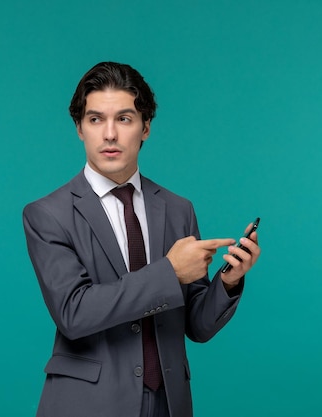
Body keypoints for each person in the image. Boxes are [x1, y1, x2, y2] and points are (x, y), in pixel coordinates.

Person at [22, 62, 260, 417]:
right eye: (95, 119)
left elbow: (196, 325)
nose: (109, 135)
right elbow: (74, 312)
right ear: (79, 129)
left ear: (145, 127)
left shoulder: (178, 209)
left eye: (124, 119)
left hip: (167, 402)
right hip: (88, 405)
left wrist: (228, 281)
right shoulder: (48, 214)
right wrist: (170, 271)